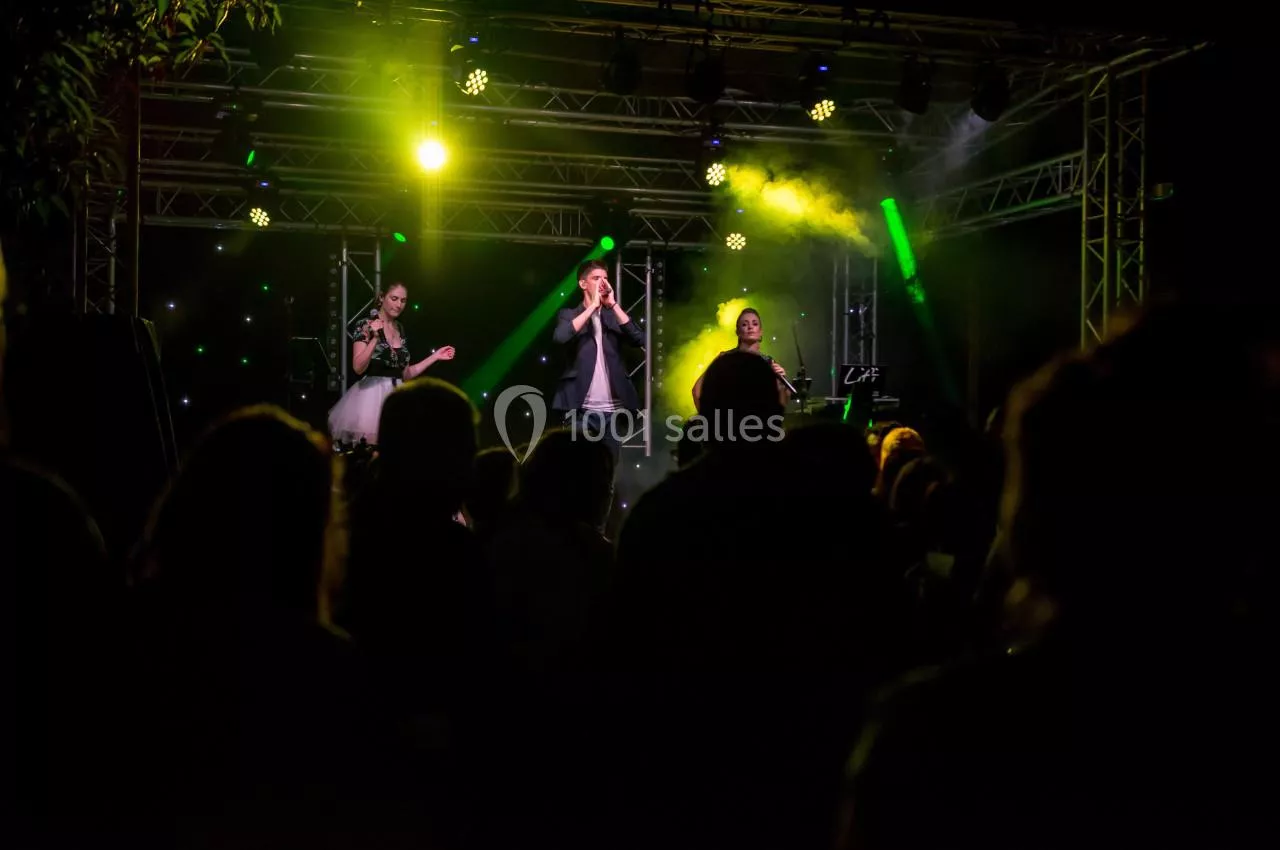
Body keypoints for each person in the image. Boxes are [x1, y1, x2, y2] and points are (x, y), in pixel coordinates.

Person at [327, 282, 455, 447]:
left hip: (398, 398)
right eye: (394, 298)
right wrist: (375, 338)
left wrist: (435, 356)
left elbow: (405, 374)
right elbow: (358, 367)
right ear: (382, 297)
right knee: (374, 450)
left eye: (403, 300)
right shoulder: (364, 324)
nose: (399, 304)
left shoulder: (399, 328)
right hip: (372, 398)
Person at [551, 259, 645, 458]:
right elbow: (560, 337)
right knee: (578, 465)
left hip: (613, 412)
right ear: (583, 284)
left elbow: (639, 339)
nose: (603, 283)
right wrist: (592, 307)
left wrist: (613, 305)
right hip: (580, 410)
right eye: (596, 278)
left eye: (605, 278)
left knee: (609, 465)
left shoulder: (613, 317)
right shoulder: (569, 314)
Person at [692, 307, 790, 411]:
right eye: (744, 324)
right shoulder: (725, 359)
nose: (750, 327)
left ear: (761, 332)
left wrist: (782, 386)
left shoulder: (769, 363)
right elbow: (697, 391)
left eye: (755, 324)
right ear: (738, 332)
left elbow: (780, 405)